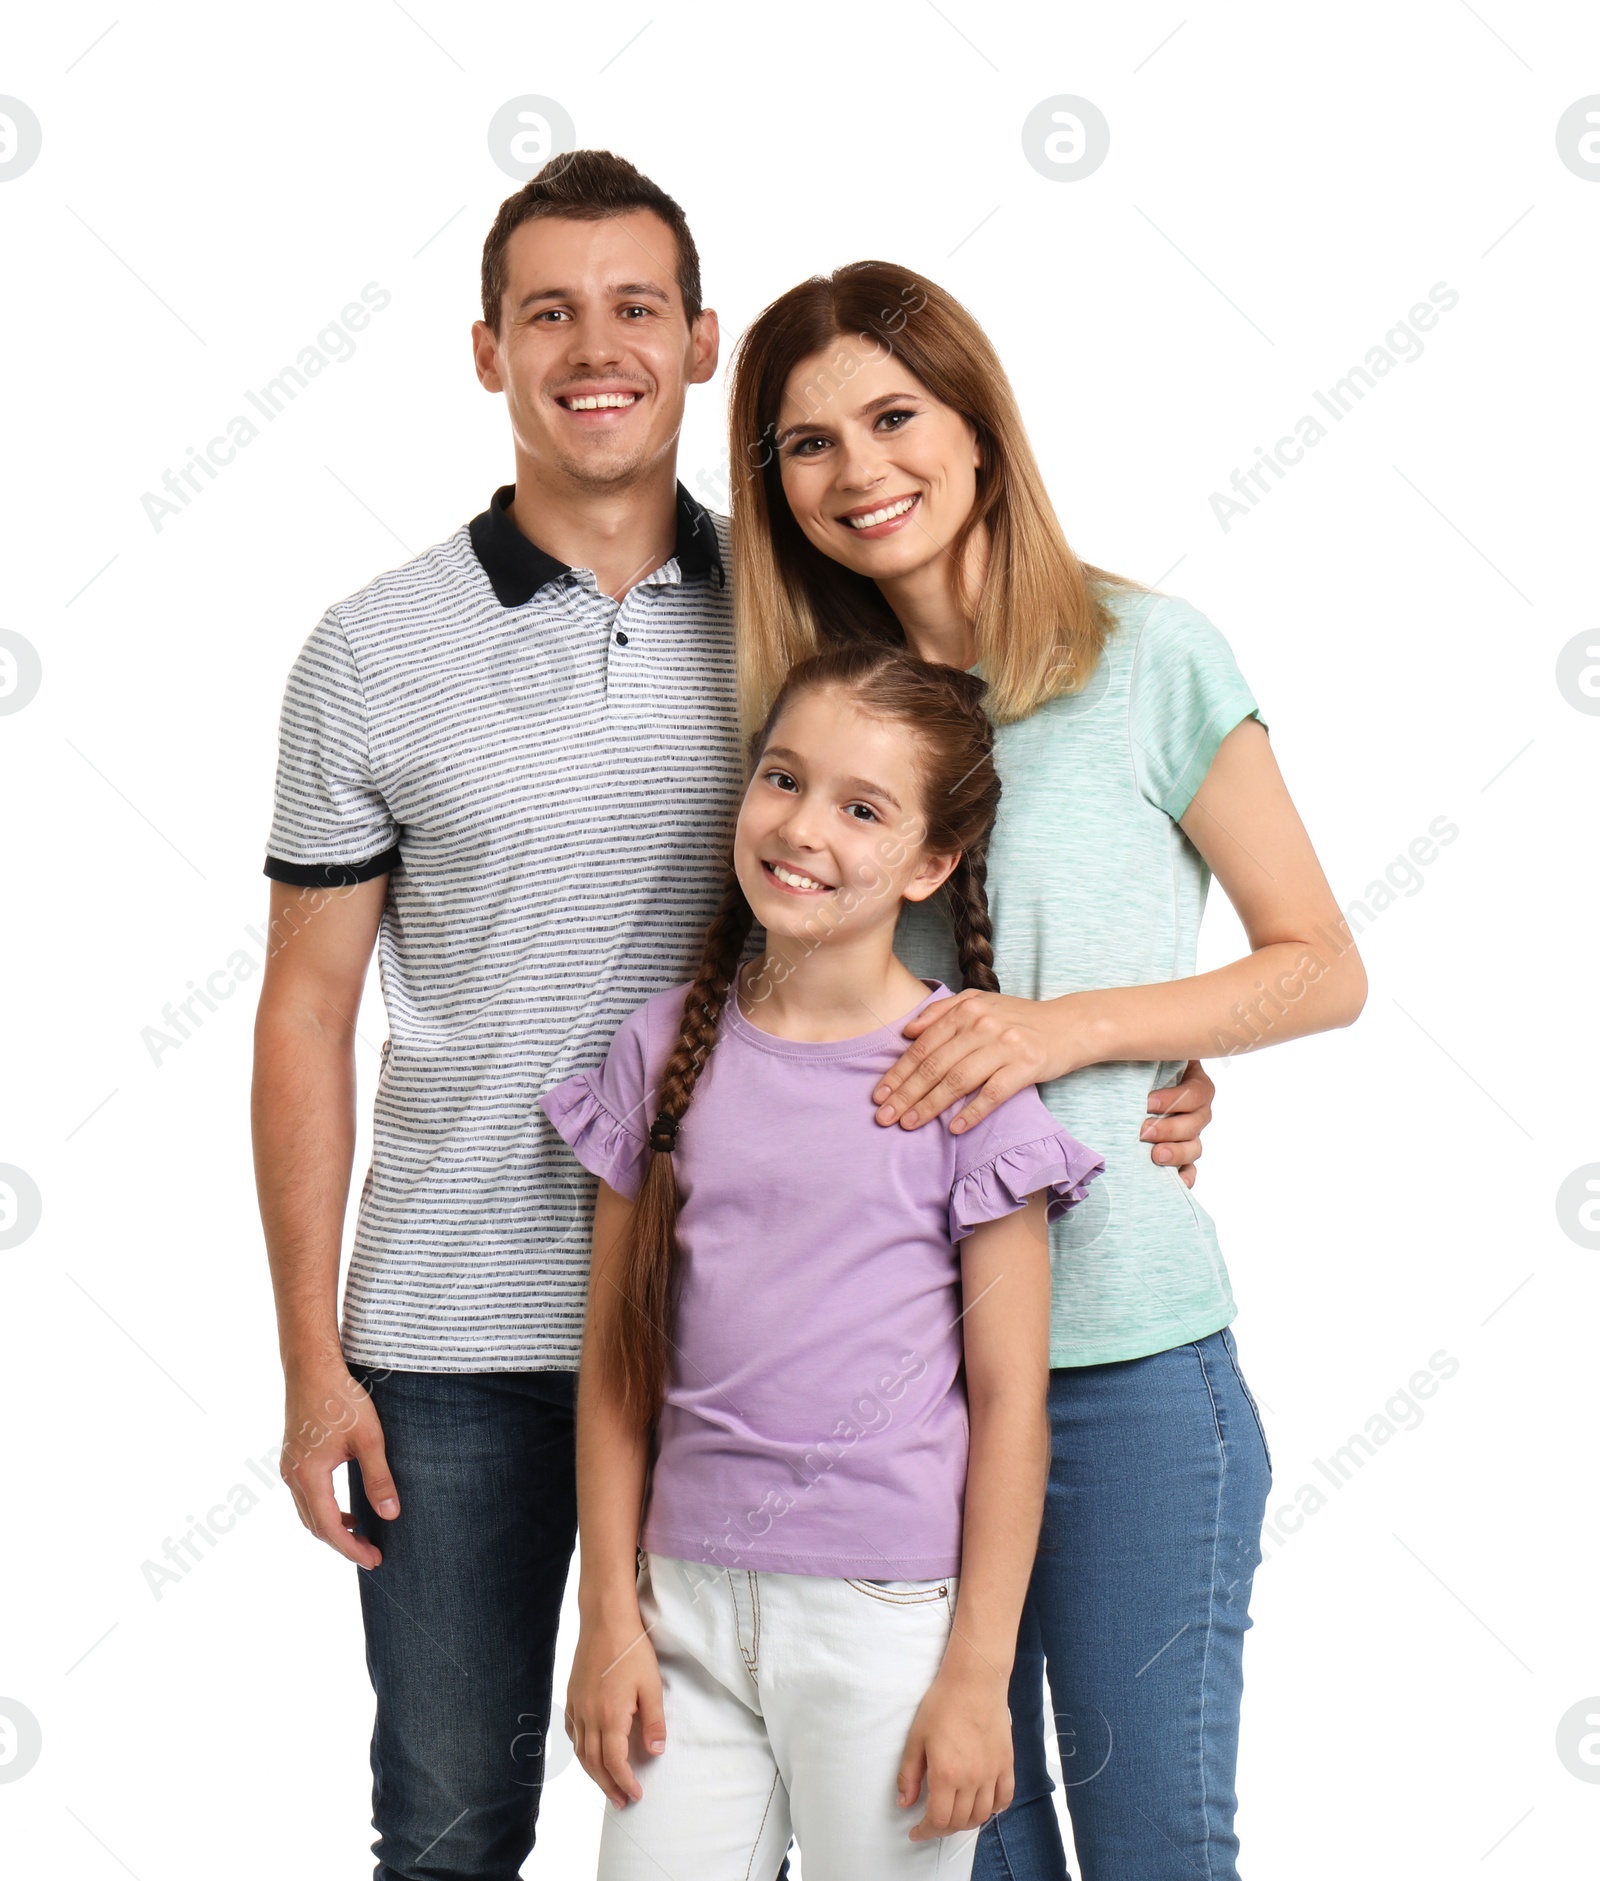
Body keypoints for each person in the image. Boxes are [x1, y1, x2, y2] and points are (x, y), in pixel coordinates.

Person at [250, 149, 1213, 1880]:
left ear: (700, 347)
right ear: (488, 352)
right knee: (456, 1820)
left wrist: (1130, 1048)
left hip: (769, 1360)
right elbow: (305, 1014)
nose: (591, 347)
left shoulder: (805, 622)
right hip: (457, 1341)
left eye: (635, 309)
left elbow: (977, 827)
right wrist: (311, 1357)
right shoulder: (368, 652)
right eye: (547, 312)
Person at [727, 262, 1368, 1880]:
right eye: (807, 446)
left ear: (978, 428)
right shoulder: (814, 724)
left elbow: (1319, 964)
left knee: (1156, 1846)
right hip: (885, 1396)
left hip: (1133, 1371)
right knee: (956, 1856)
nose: (859, 471)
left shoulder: (1151, 657)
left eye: (893, 417)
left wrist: (1085, 1031)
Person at [543, 645, 1104, 1879]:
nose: (802, 829)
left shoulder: (969, 1087)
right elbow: (616, 1367)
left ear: (930, 863)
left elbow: (1011, 1405)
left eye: (862, 808)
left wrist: (977, 1672)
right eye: (782, 780)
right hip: (677, 1612)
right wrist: (606, 1622)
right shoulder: (660, 1050)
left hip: (884, 1624)